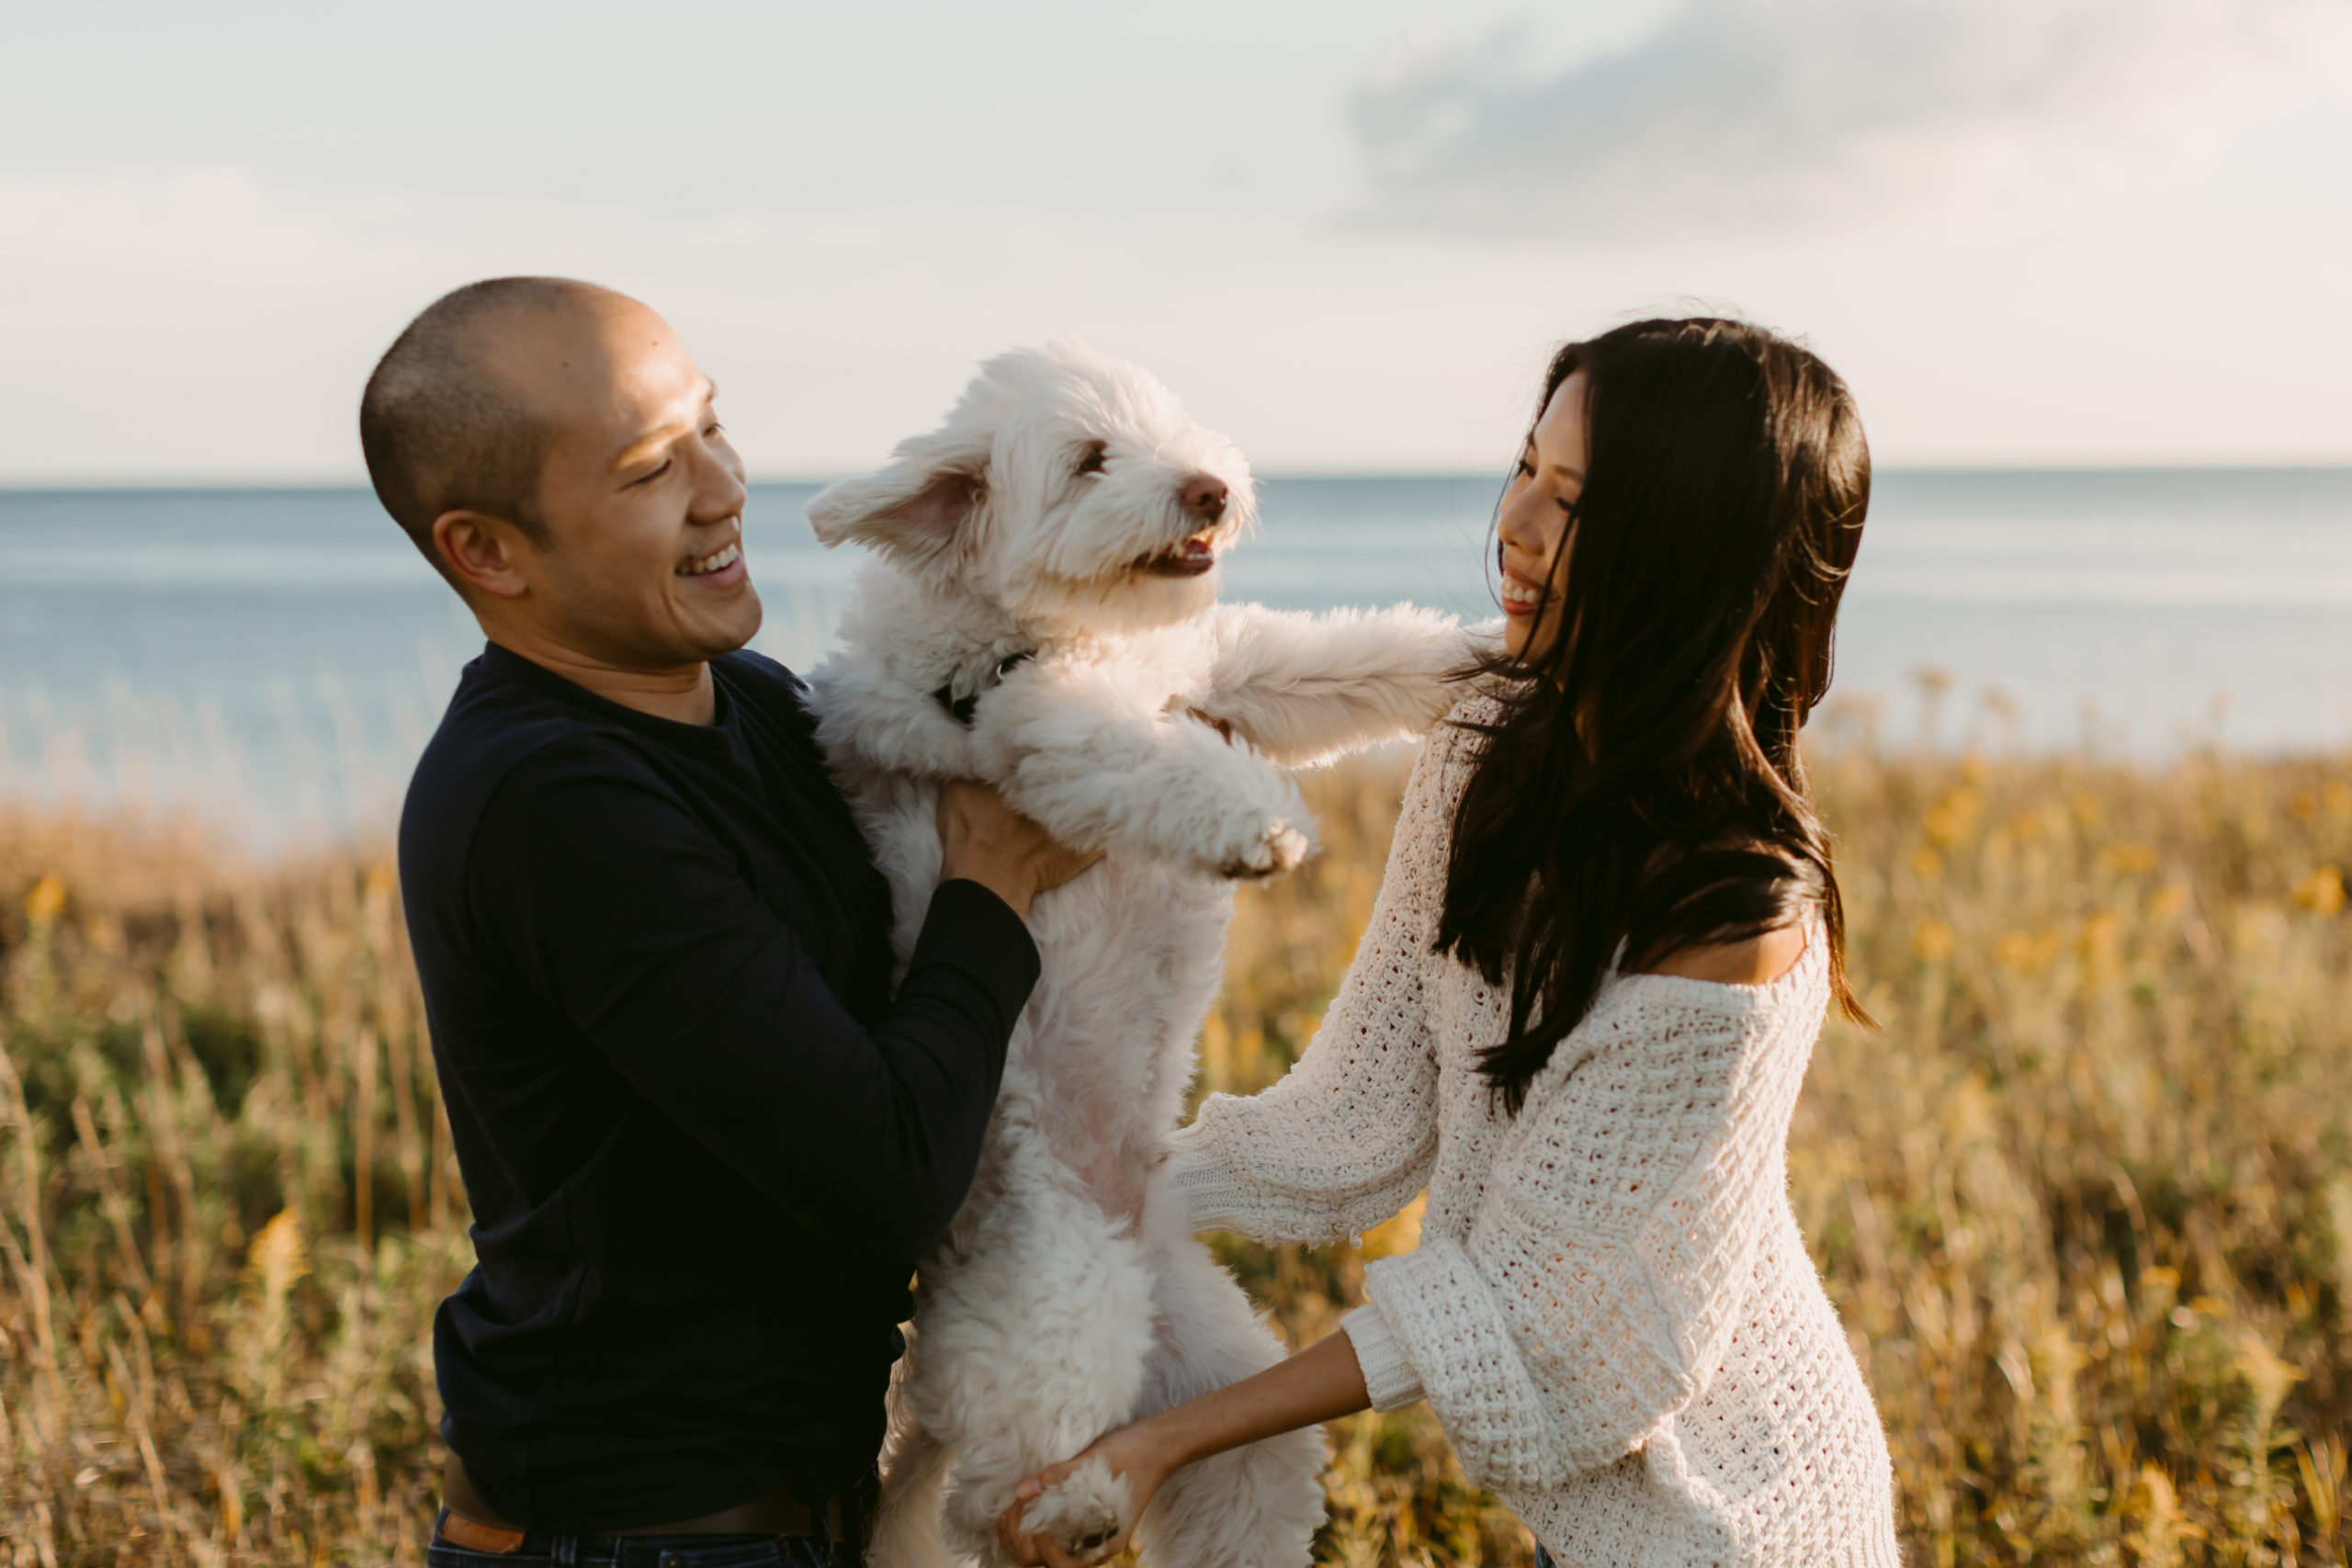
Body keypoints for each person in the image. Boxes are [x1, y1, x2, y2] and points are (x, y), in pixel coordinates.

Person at [999, 318, 1902, 1567]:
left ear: (1685, 557)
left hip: (1734, 1522)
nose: (1516, 527)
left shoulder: (1736, 924)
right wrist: (1066, 1202)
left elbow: (1524, 1315)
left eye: (1572, 500)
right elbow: (1359, 1117)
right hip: (1587, 1527)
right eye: (1525, 467)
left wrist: (1164, 1440)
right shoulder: (1491, 746)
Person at [363, 276, 1094, 1564]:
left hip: (794, 1515)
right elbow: (885, 1175)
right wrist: (993, 880)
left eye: (714, 424)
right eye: (652, 469)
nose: (722, 487)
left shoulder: (750, 701)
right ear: (488, 552)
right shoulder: (549, 799)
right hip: (632, 1536)